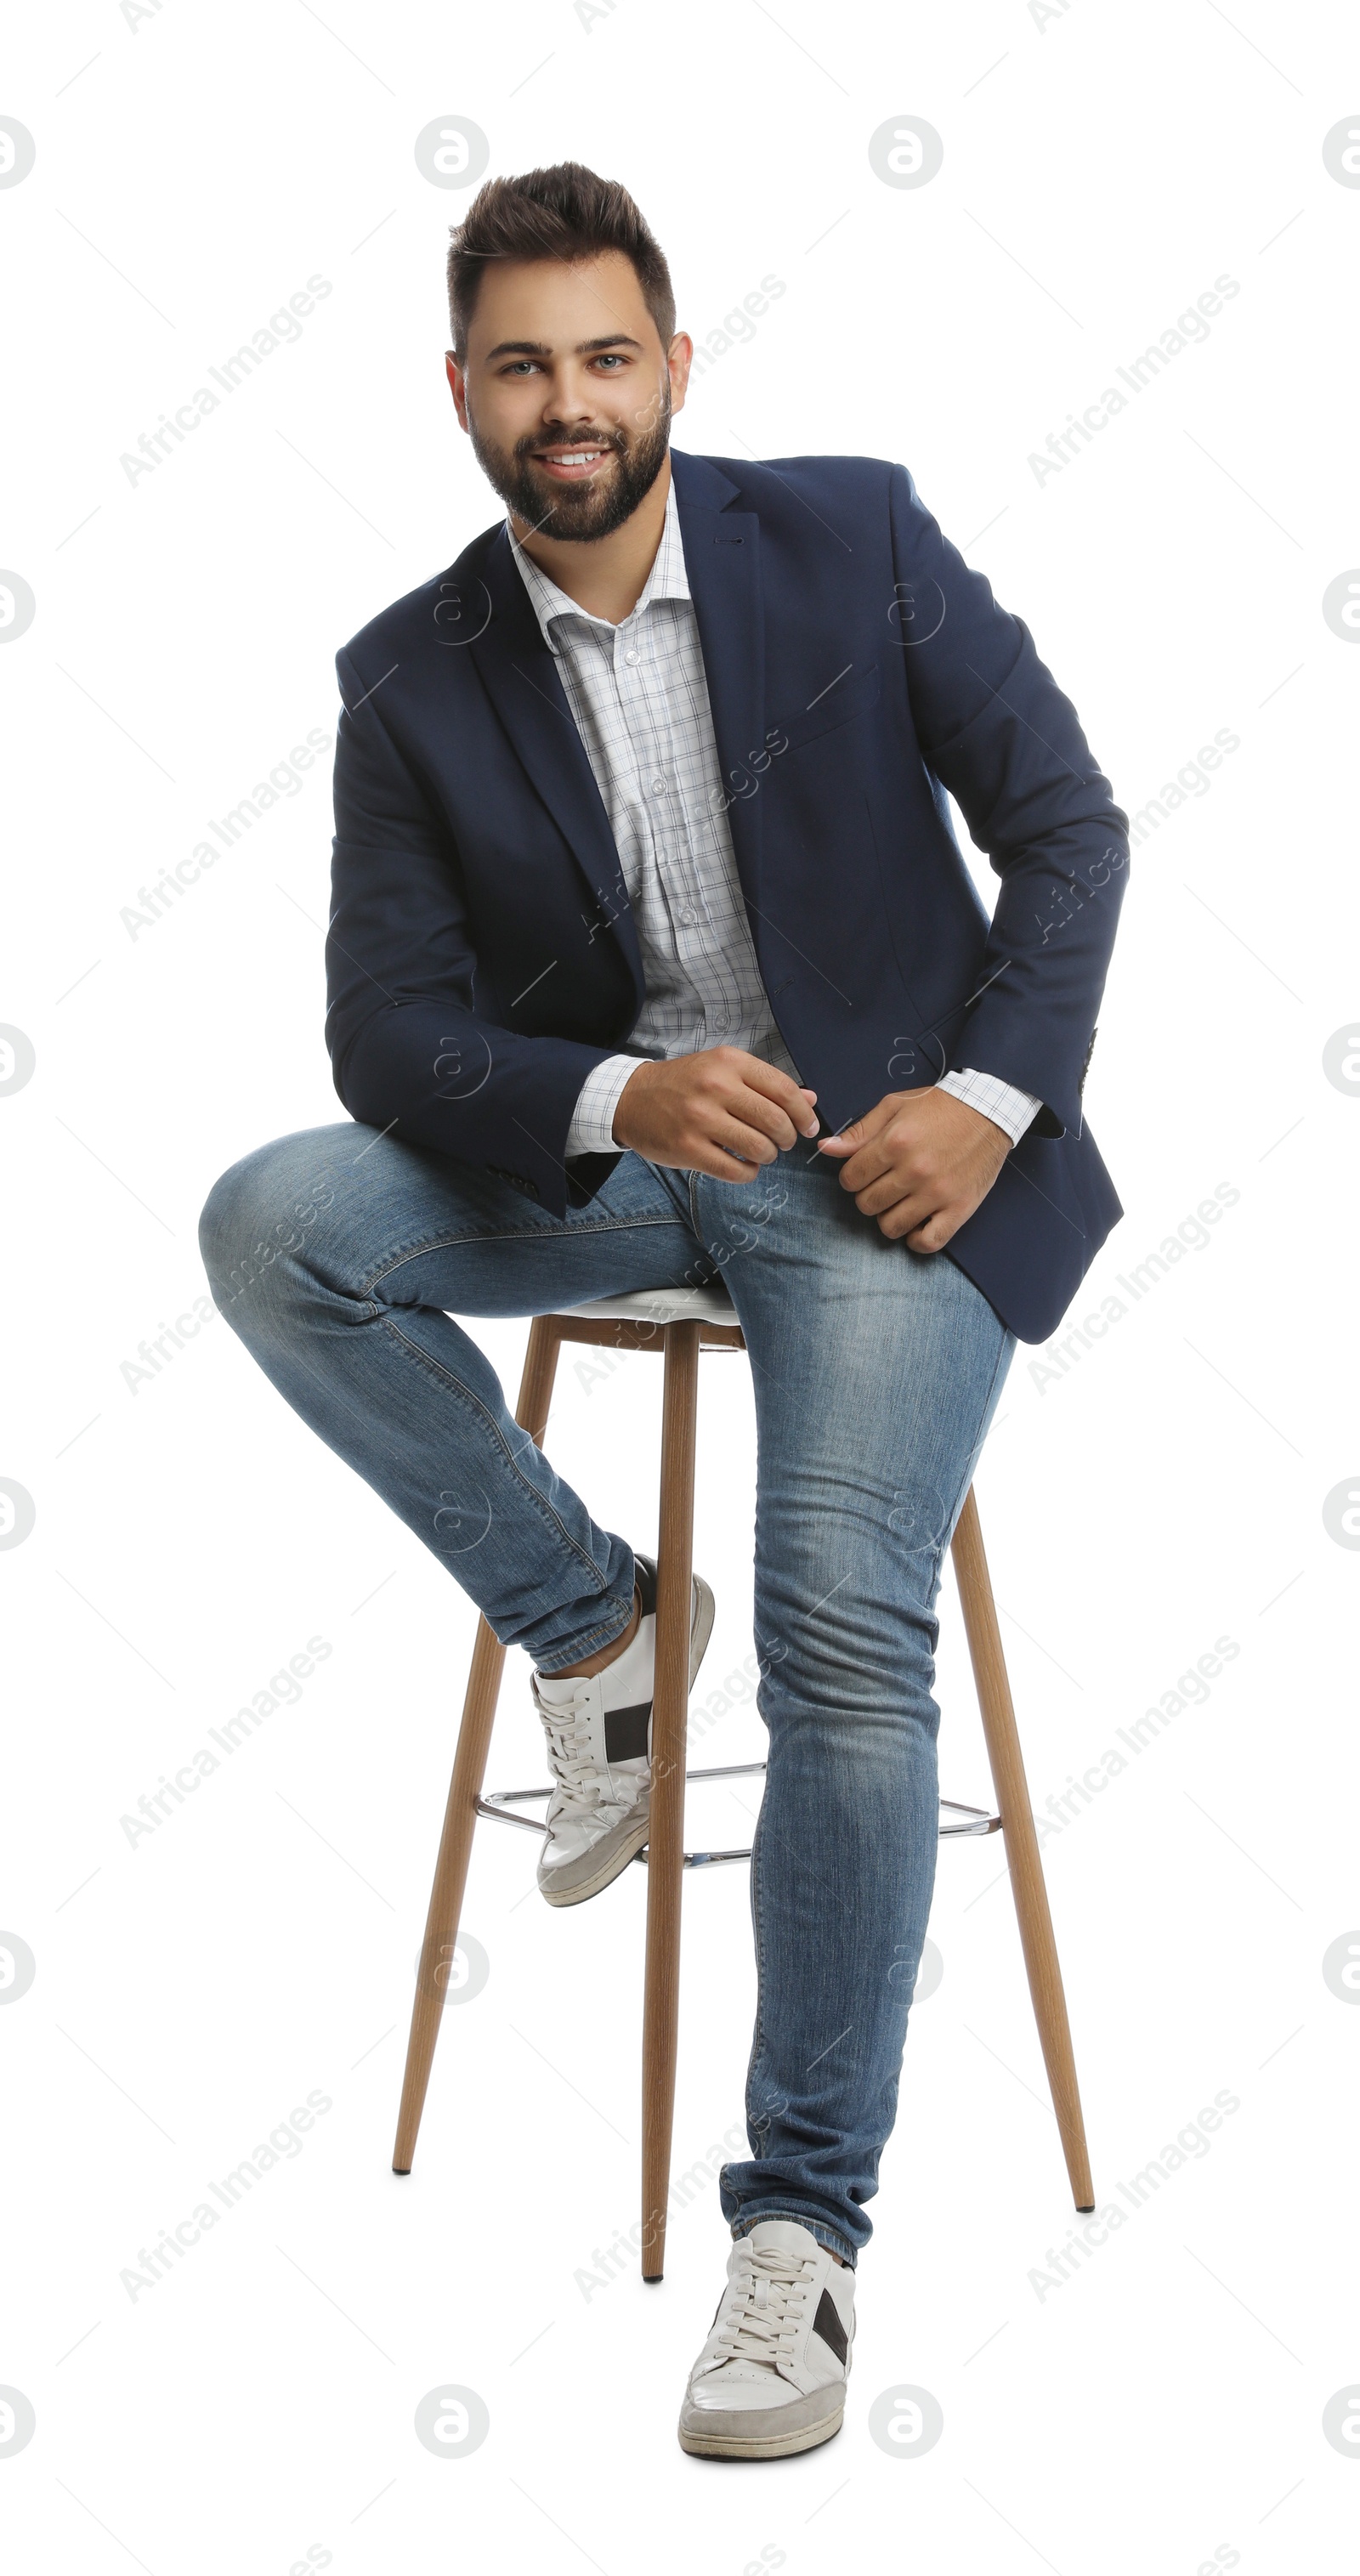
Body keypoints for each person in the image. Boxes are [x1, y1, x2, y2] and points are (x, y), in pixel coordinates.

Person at [198, 160, 1129, 2461]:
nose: (568, 401)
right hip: (628, 1179)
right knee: (272, 1219)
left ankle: (797, 2241)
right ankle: (598, 1622)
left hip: (885, 1178)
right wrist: (621, 1092)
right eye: (520, 364)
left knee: (837, 1620)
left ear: (675, 369)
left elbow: (1074, 826)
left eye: (606, 355)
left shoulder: (853, 536)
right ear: (462, 398)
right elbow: (385, 1038)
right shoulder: (410, 679)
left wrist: (991, 1101)